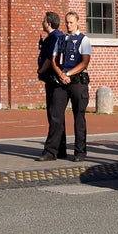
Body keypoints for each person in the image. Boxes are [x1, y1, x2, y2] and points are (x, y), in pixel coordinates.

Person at [39, 11, 91, 161]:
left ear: (77, 23)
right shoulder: (60, 39)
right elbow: (54, 59)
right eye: (67, 22)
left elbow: (84, 62)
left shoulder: (84, 40)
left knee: (79, 117)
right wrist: (61, 74)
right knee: (56, 115)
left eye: (71, 22)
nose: (69, 25)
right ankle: (51, 151)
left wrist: (68, 74)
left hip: (77, 82)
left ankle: (80, 152)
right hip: (61, 81)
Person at [37, 12, 66, 160]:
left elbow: (50, 57)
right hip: (53, 81)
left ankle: (50, 151)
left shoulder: (54, 37)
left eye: (44, 21)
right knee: (57, 115)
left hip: (55, 81)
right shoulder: (57, 37)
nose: (42, 23)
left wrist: (41, 70)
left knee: (54, 115)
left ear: (48, 23)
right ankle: (61, 148)